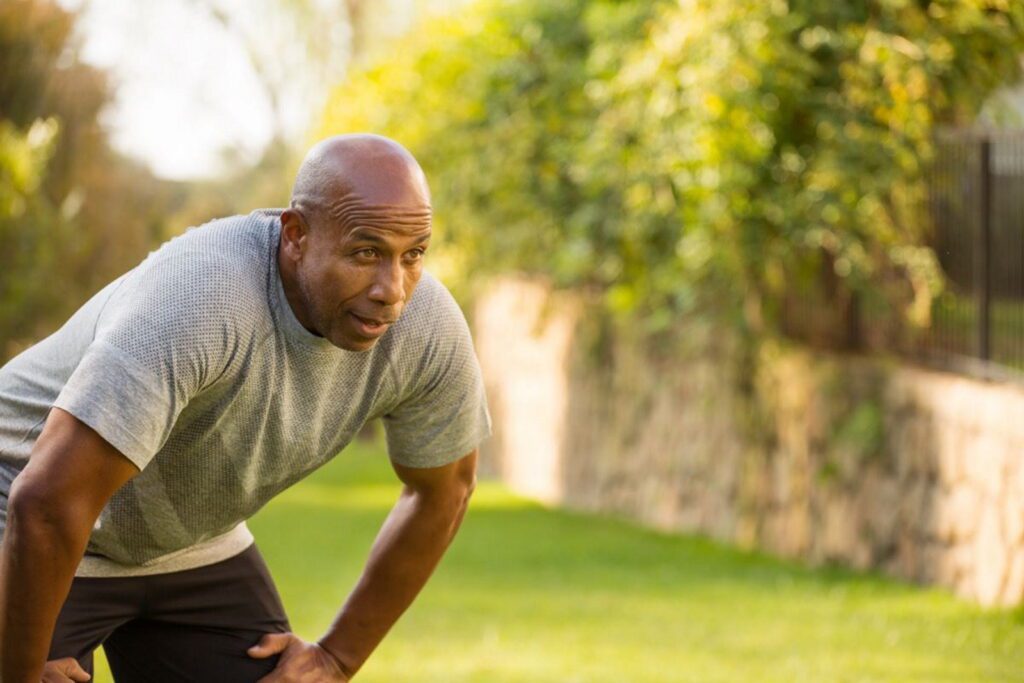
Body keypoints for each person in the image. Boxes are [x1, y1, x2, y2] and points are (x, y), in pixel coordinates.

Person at [0, 134, 491, 682]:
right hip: (23, 516)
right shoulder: (201, 298)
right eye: (366, 252)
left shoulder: (425, 328)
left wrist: (336, 657)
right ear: (297, 235)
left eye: (413, 254)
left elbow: (445, 489)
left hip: (187, 543)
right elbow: (45, 502)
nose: (392, 289)